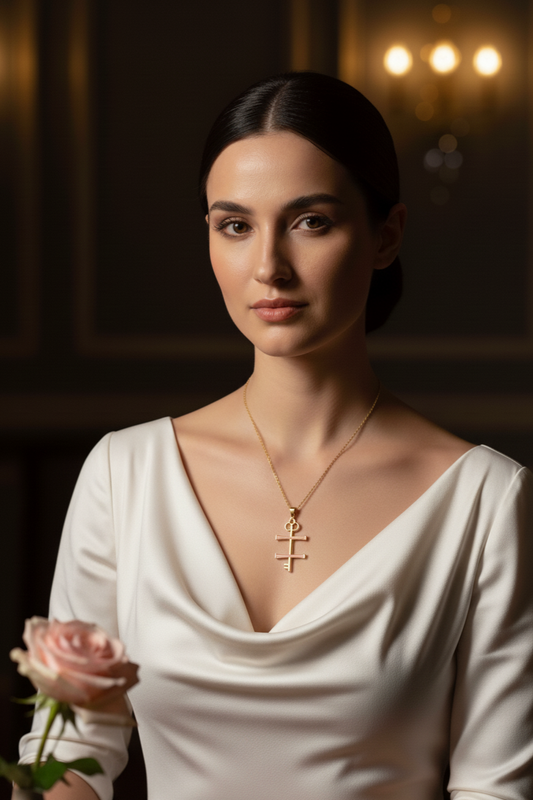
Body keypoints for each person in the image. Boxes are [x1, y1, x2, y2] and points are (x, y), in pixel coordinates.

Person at [17, 72, 533, 800]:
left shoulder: (484, 500)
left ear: (386, 236)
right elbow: (69, 754)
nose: (268, 267)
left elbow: (494, 788)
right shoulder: (123, 474)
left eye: (310, 221)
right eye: (235, 225)